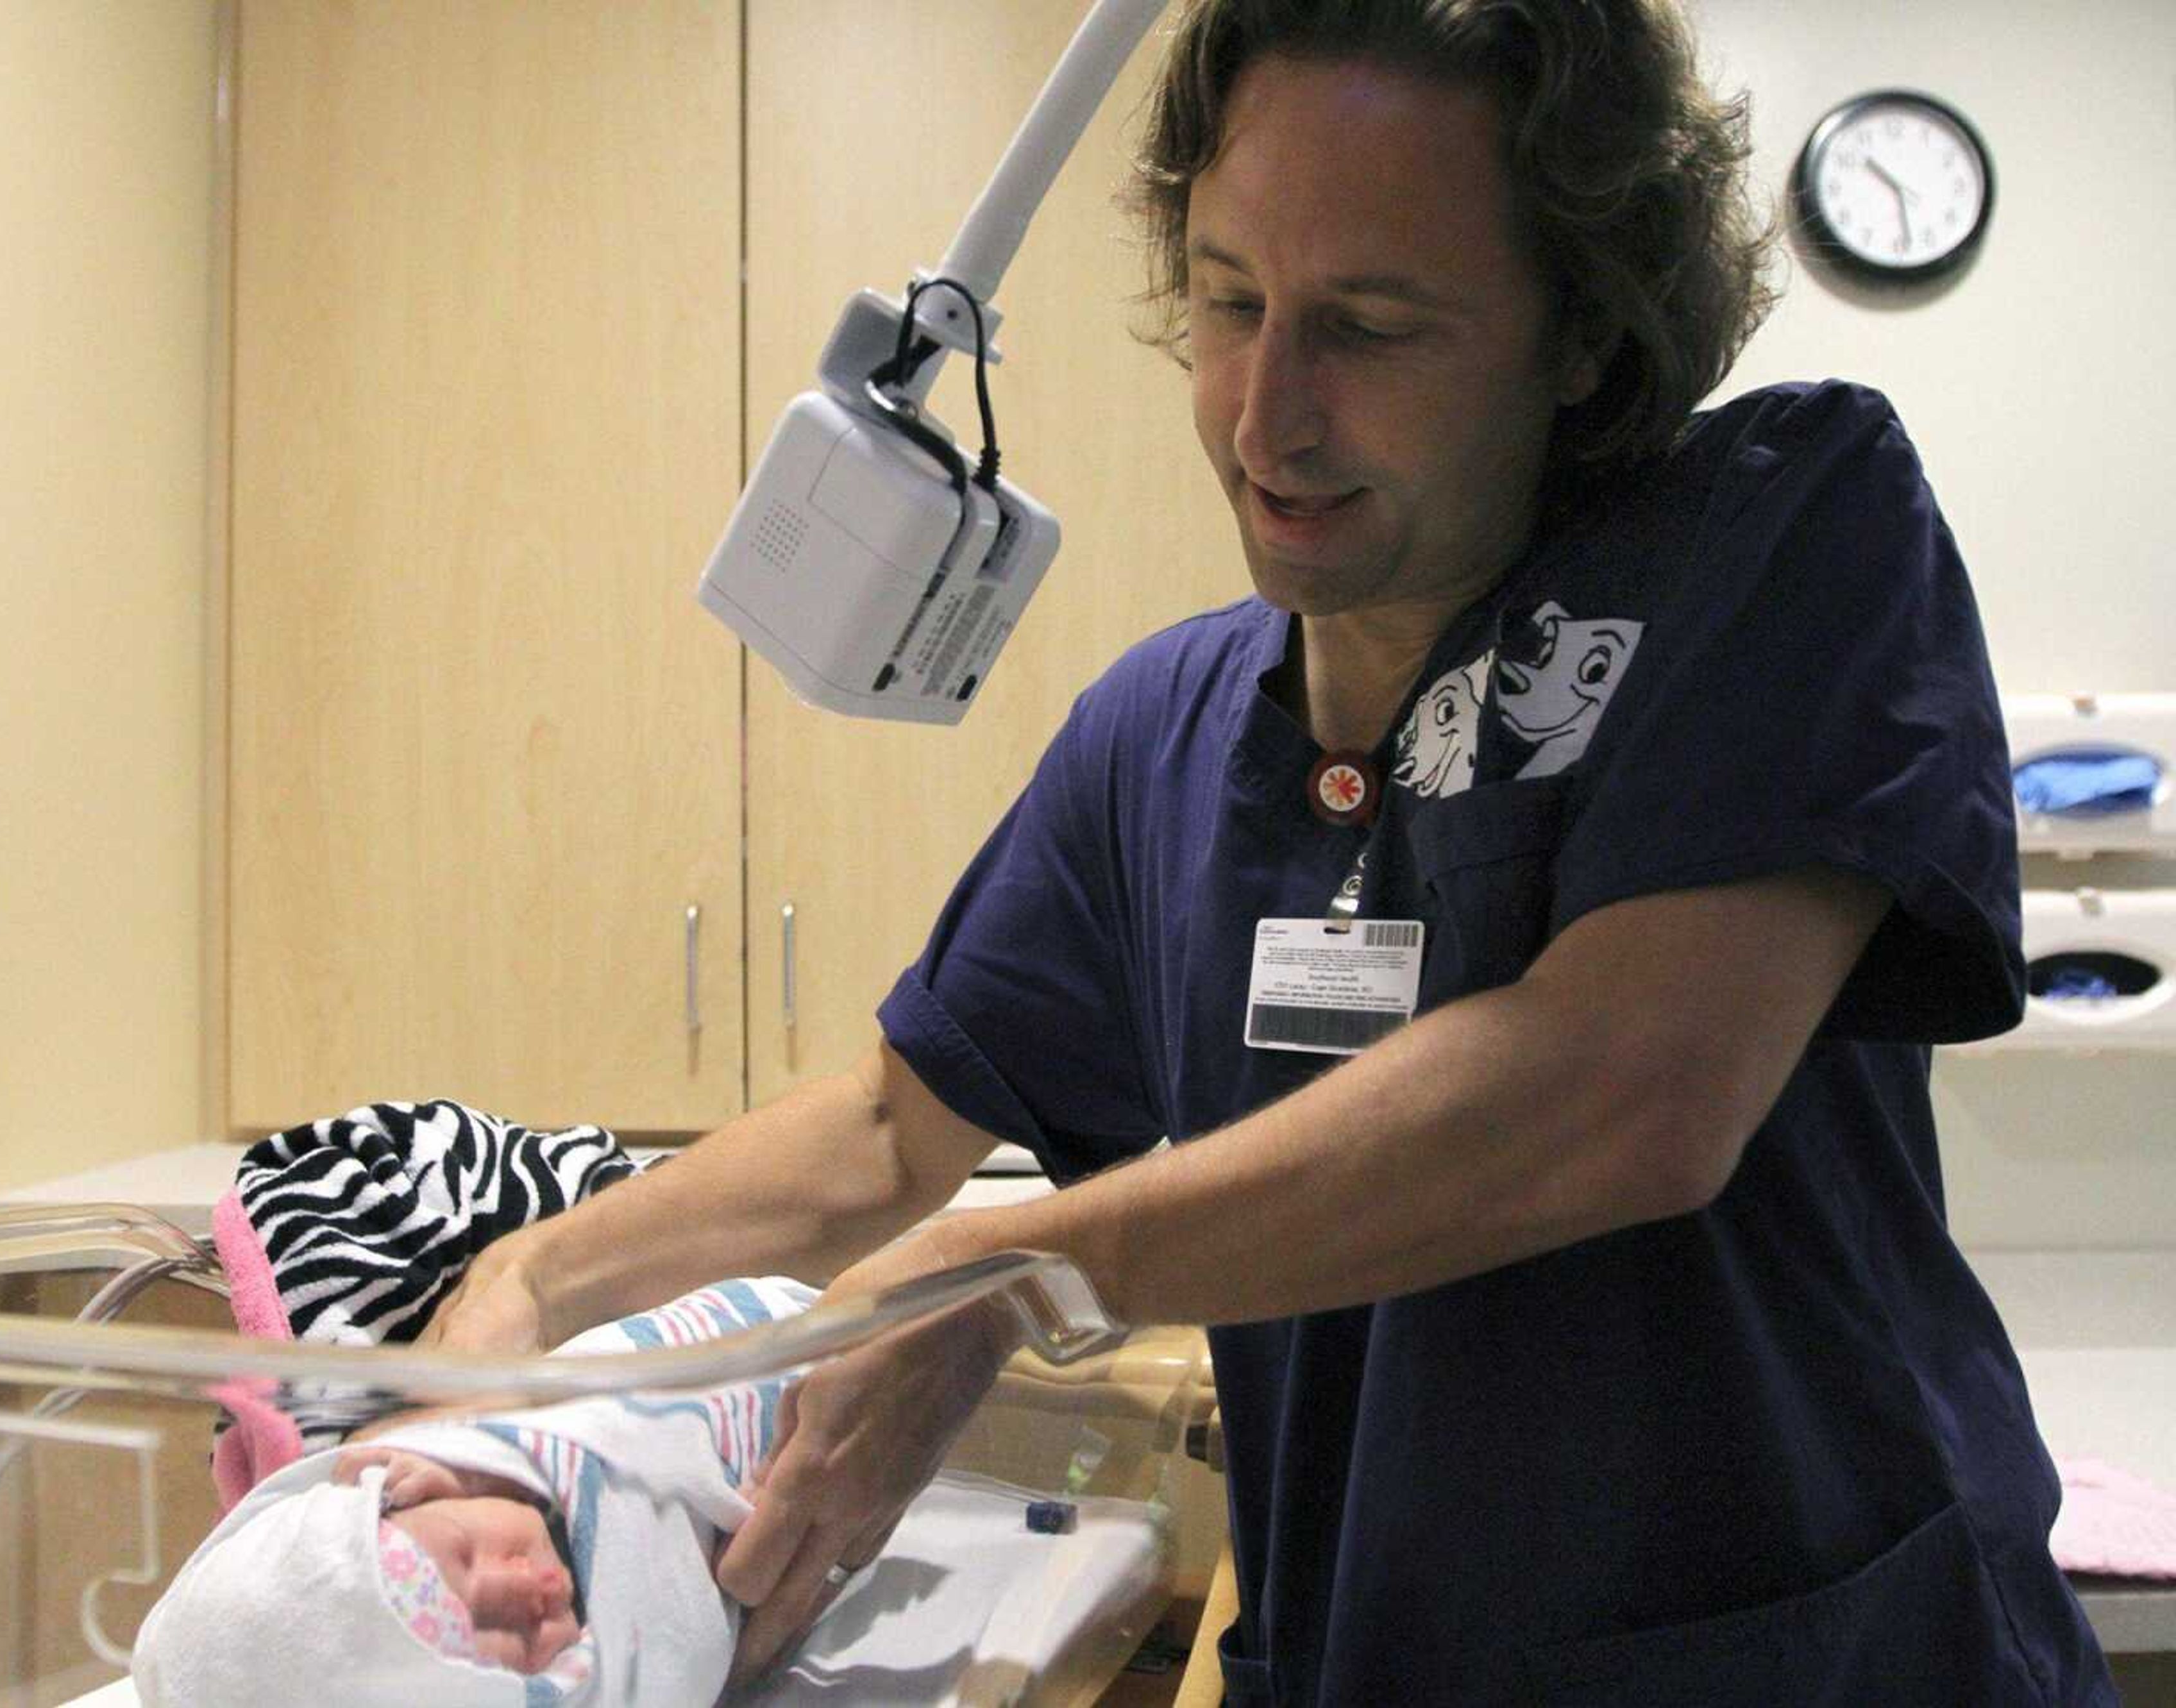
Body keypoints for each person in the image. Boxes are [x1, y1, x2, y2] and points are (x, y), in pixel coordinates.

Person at [429, 2, 2115, 1701]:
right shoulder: (1161, 737)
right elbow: (886, 1131)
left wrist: (1017, 1277)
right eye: (1233, 303)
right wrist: (530, 1281)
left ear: (1581, 338)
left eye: (1369, 328)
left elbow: (1628, 1088)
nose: (1266, 416)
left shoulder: (1783, 535)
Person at [133, 1278, 816, 1705]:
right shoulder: (596, 1660)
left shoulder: (465, 1463)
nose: (522, 1585)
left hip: (756, 1345)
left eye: (465, 1553)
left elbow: (571, 1426)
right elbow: (678, 1645)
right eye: (512, 1634)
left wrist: (467, 1464)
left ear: (409, 1494)